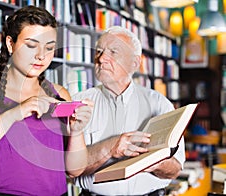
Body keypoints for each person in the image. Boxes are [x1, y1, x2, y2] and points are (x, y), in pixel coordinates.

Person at [0, 6, 92, 196]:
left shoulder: (59, 94)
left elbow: (75, 170)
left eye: (49, 47)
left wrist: (77, 130)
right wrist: (13, 114)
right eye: (31, 45)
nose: (41, 55)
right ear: (10, 43)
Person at [72, 26, 185, 196]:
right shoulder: (78, 104)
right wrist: (110, 148)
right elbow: (72, 169)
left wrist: (154, 162)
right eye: (99, 51)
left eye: (113, 52)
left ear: (134, 63)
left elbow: (175, 169)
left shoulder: (160, 105)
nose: (101, 59)